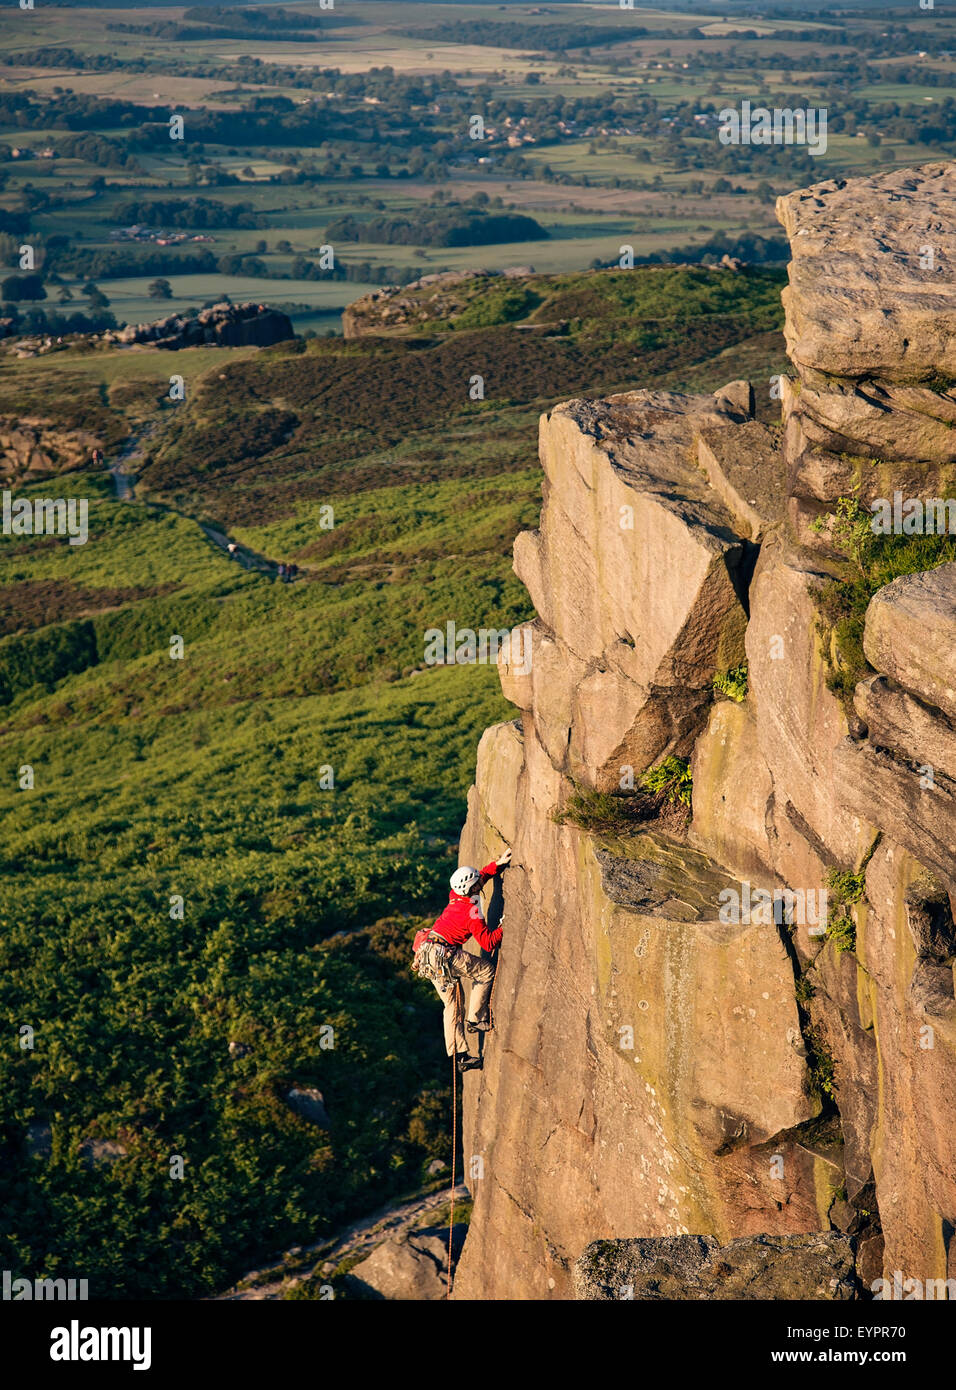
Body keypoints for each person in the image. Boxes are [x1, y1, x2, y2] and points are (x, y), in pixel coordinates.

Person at [413, 849, 512, 1073]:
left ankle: (460, 1056)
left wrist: (496, 865)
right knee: (486, 971)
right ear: (470, 889)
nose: (480, 884)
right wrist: (505, 927)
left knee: (451, 1005)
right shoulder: (471, 912)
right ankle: (476, 1019)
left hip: (428, 955)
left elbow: (478, 880)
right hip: (445, 955)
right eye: (476, 883)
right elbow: (488, 943)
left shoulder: (455, 896)